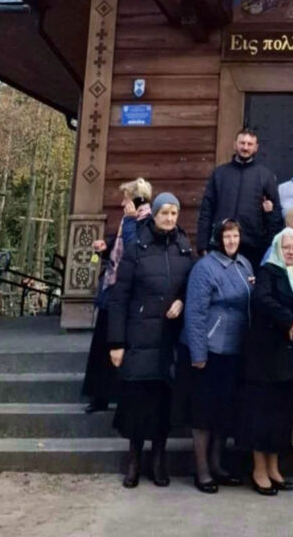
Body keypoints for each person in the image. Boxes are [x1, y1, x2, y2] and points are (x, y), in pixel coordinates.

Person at [108, 193, 194, 489]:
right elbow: (119, 298)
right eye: (164, 213)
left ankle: (158, 461)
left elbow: (191, 285)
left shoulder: (184, 247)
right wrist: (116, 343)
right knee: (137, 403)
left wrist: (182, 300)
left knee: (162, 406)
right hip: (139, 337)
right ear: (154, 214)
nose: (169, 218)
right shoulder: (137, 248)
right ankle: (134, 461)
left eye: (174, 213)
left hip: (168, 340)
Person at [175, 219, 253, 492]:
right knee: (203, 413)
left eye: (235, 236)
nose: (232, 241)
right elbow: (195, 313)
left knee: (224, 411)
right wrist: (198, 353)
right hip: (208, 350)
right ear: (218, 239)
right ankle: (202, 470)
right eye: (227, 236)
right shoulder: (205, 267)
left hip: (234, 350)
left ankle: (218, 465)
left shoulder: (244, 264)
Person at [242, 228, 293, 496]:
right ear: (277, 248)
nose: (291, 251)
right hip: (263, 355)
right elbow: (261, 300)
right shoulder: (268, 272)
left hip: (286, 356)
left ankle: (273, 468)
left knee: (280, 415)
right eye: (286, 247)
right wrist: (288, 320)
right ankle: (259, 470)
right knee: (261, 414)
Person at [83, 178, 152, 414]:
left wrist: (130, 221)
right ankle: (99, 395)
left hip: (129, 294)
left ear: (136, 200)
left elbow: (133, 250)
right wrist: (105, 248)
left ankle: (121, 395)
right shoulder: (127, 221)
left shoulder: (146, 222)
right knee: (102, 344)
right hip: (111, 289)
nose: (123, 203)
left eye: (126, 199)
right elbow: (119, 248)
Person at [196, 128, 282, 269]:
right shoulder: (219, 174)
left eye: (250, 144)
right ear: (235, 144)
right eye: (242, 143)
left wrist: (271, 249)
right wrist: (202, 245)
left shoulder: (265, 176)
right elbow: (206, 210)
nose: (245, 147)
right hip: (220, 245)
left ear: (256, 147)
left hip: (252, 248)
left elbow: (275, 215)